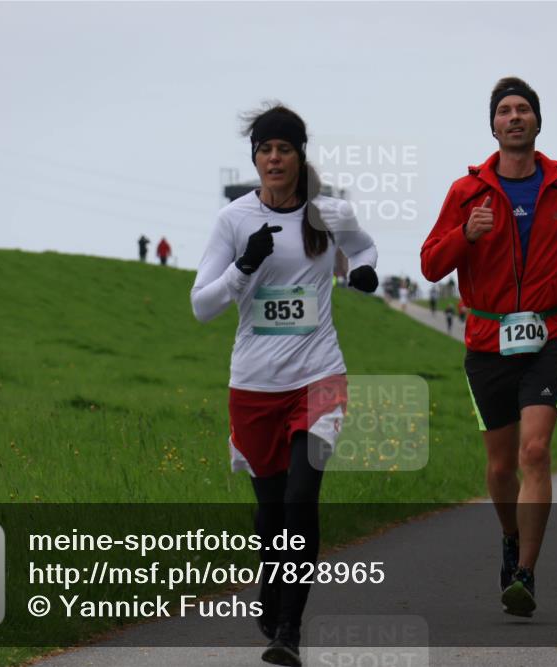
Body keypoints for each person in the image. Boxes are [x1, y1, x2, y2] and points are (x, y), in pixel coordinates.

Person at [190, 104, 378, 667]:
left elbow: (363, 247)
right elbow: (202, 306)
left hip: (319, 376)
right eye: (266, 149)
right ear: (255, 159)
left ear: (300, 157)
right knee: (271, 513)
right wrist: (243, 268)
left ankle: (290, 631)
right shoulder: (234, 221)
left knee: (301, 499)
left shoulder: (329, 212)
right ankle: (271, 599)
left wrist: (363, 270)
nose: (275, 157)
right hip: (253, 385)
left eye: (285, 148)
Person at [421, 76, 557, 617]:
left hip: (548, 333)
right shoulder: (465, 192)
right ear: (493, 125)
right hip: (487, 336)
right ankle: (507, 534)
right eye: (505, 111)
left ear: (538, 123)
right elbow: (431, 264)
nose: (515, 117)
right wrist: (465, 236)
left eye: (524, 110)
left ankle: (525, 570)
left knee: (535, 451)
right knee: (500, 468)